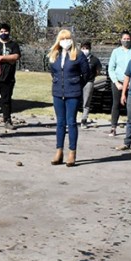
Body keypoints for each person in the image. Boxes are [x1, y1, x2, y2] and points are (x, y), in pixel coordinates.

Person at [48, 29, 89, 167]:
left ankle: (72, 153)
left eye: (68, 38)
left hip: (73, 93)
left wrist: (76, 83)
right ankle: (59, 151)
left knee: (71, 122)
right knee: (60, 123)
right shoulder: (55, 55)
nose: (65, 41)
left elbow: (86, 74)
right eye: (63, 39)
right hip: (58, 92)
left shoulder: (79, 55)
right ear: (58, 41)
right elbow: (52, 72)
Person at [107, 31, 131, 137]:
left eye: (128, 39)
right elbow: (111, 68)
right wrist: (116, 82)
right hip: (118, 82)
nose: (126, 41)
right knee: (116, 104)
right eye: (124, 39)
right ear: (121, 40)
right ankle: (113, 128)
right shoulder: (116, 52)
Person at [79, 41, 102, 128]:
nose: (85, 50)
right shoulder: (77, 58)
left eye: (87, 48)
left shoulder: (94, 60)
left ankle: (84, 120)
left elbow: (98, 71)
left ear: (90, 49)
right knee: (75, 100)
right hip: (78, 81)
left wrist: (91, 77)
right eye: (83, 48)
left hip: (89, 82)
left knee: (86, 101)